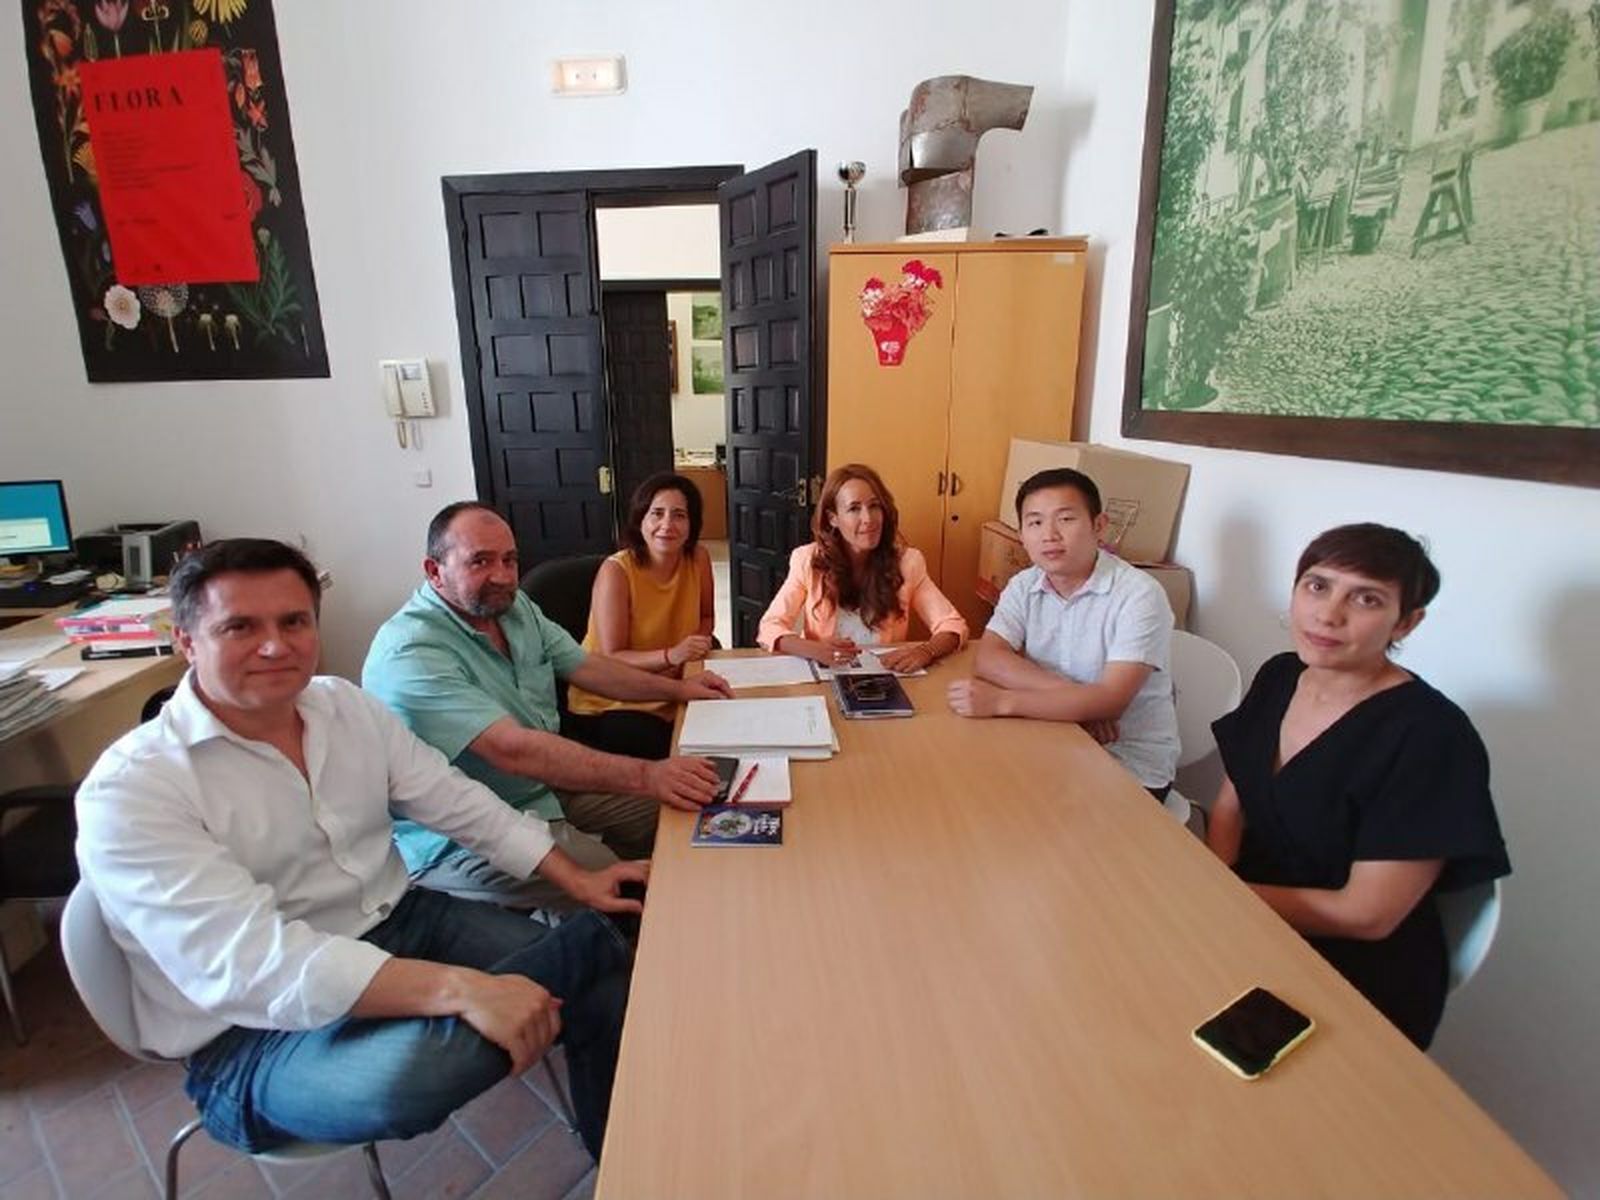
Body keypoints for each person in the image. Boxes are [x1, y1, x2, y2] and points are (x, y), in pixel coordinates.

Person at [74, 539, 642, 1160]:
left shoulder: (343, 707)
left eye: (294, 622)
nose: (275, 645)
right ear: (186, 640)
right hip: (251, 1032)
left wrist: (575, 880)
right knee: (405, 1084)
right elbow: (253, 964)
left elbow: (456, 800)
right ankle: (599, 943)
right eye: (240, 626)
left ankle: (620, 1155)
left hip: (402, 920)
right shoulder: (132, 788)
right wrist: (460, 989)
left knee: (600, 986)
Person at [1206, 523, 1509, 1049]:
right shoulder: (1280, 675)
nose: (1328, 613)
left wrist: (1217, 900)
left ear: (1407, 622)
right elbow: (1232, 803)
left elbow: (1365, 915)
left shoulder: (1430, 736)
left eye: (1365, 598)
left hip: (1354, 971)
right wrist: (1214, 887)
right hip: (1245, 920)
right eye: (1317, 586)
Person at [362, 502, 733, 910]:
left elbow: (589, 667)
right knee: (628, 888)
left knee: (690, 821)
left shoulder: (513, 608)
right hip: (468, 830)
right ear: (435, 572)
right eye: (480, 562)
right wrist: (649, 774)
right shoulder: (410, 652)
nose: (502, 576)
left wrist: (682, 690)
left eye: (509, 559)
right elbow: (512, 750)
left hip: (545, 788)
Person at [946, 467, 1179, 799]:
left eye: (1065, 519)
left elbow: (1111, 699)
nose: (1049, 535)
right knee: (968, 787)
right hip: (1053, 735)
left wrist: (1002, 701)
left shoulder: (1140, 594)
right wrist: (1080, 702)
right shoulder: (1025, 584)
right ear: (1022, 534)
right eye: (1035, 522)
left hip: (1128, 765)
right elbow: (988, 657)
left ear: (1099, 526)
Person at [756, 463, 967, 671]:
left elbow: (953, 625)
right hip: (826, 677)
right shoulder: (807, 560)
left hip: (886, 678)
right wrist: (815, 649)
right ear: (833, 518)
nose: (868, 519)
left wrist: (925, 651)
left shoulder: (908, 562)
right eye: (854, 509)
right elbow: (770, 627)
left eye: (874, 506)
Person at [565, 472, 716, 762]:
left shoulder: (698, 557)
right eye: (656, 513)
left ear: (692, 524)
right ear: (640, 520)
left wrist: (694, 647)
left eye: (679, 515)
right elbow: (612, 657)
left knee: (720, 727)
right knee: (681, 753)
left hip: (673, 683)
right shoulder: (616, 571)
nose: (667, 525)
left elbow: (706, 617)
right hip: (612, 699)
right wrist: (672, 656)